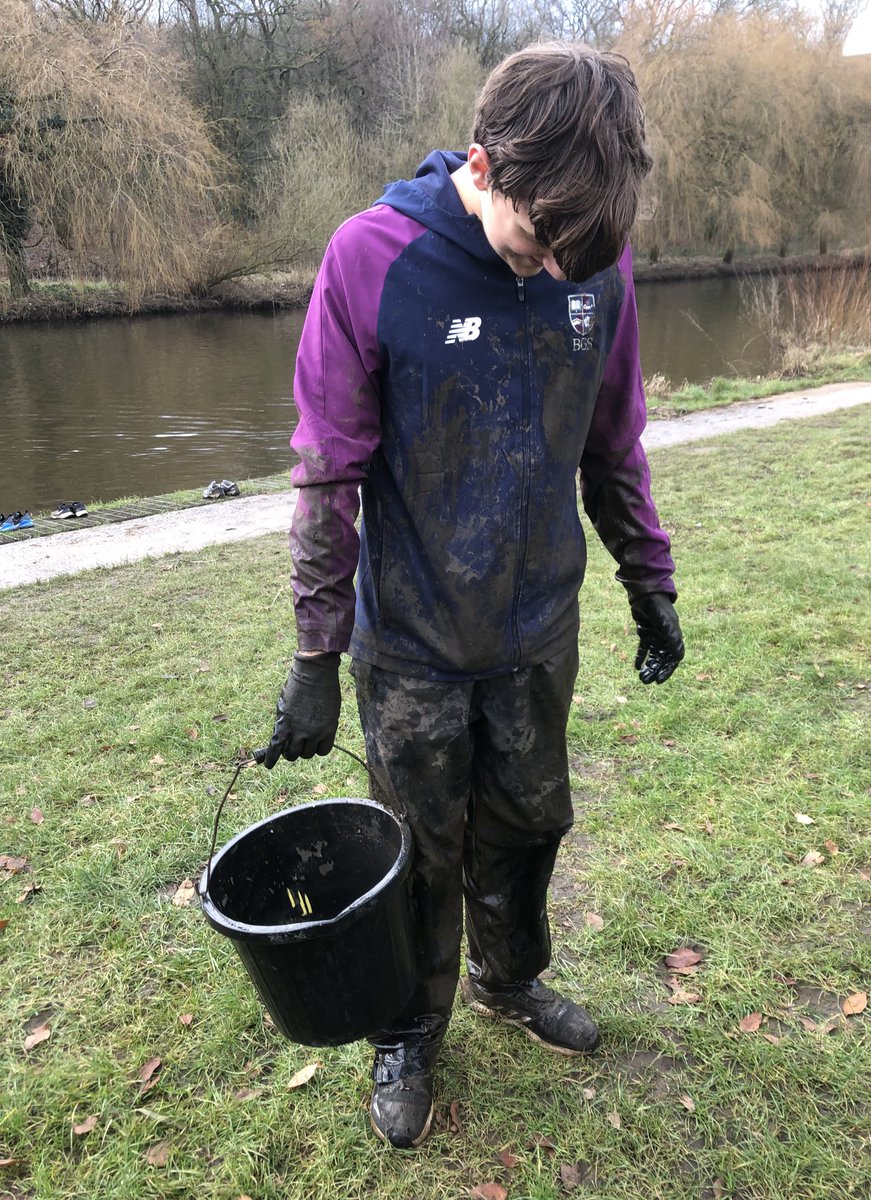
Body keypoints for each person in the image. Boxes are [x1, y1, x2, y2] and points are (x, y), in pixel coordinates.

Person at [263, 41, 684, 1149]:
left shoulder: (594, 263)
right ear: (486, 167)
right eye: (541, 241)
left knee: (530, 823)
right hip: (411, 641)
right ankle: (409, 1024)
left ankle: (512, 980)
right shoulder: (371, 257)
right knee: (421, 849)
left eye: (580, 257)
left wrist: (653, 582)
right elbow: (327, 474)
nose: (558, 273)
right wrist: (315, 658)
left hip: (539, 624)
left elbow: (615, 444)